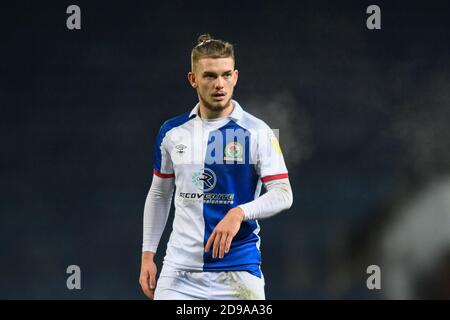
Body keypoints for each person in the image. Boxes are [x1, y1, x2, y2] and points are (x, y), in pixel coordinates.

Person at [139, 34, 293, 300]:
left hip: (238, 272)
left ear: (235, 76)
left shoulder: (258, 132)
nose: (219, 84)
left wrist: (238, 213)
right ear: (193, 79)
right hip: (179, 273)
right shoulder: (172, 132)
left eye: (226, 74)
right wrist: (148, 255)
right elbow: (159, 194)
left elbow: (283, 193)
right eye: (210, 76)